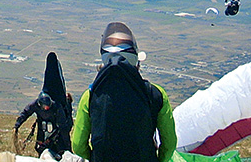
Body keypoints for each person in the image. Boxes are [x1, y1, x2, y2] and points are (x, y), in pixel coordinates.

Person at [72, 22, 176, 162]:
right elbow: (169, 144)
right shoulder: (155, 94)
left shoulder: (90, 96)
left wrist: (95, 157)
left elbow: (78, 145)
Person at [14, 90, 72, 160]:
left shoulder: (56, 107)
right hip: (42, 129)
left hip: (56, 131)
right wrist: (17, 125)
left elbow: (63, 127)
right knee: (41, 150)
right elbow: (25, 113)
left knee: (60, 149)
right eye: (45, 107)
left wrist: (67, 145)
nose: (47, 108)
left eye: (48, 106)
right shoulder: (34, 105)